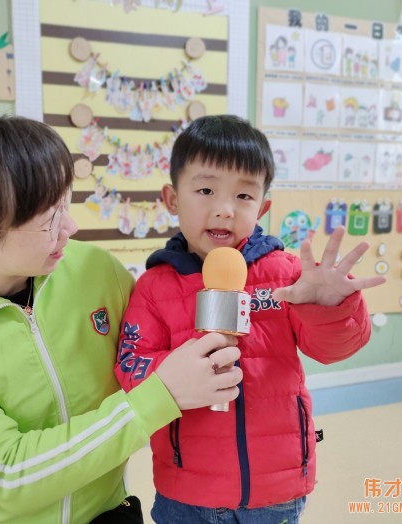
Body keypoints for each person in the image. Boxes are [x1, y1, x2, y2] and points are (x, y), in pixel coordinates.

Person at [0, 115, 244, 523]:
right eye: (49, 220)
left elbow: (175, 341)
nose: (71, 226)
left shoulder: (98, 271)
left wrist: (300, 302)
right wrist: (160, 398)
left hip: (108, 514)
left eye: (65, 203)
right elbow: (8, 473)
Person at [114, 115, 386, 524]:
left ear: (263, 207)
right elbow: (131, 366)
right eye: (205, 190)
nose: (224, 210)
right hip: (188, 491)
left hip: (276, 488)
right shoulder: (154, 286)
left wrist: (330, 307)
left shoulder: (286, 274)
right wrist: (183, 372)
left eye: (244, 196)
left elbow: (333, 349)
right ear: (172, 199)